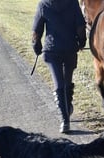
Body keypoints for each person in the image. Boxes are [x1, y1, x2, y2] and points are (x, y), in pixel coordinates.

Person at [32, 0, 87, 134]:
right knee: (67, 81)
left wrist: (36, 46)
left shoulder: (43, 4)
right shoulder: (73, 3)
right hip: (69, 49)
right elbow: (80, 25)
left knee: (59, 84)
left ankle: (65, 120)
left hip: (52, 50)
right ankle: (67, 109)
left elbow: (36, 31)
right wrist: (82, 41)